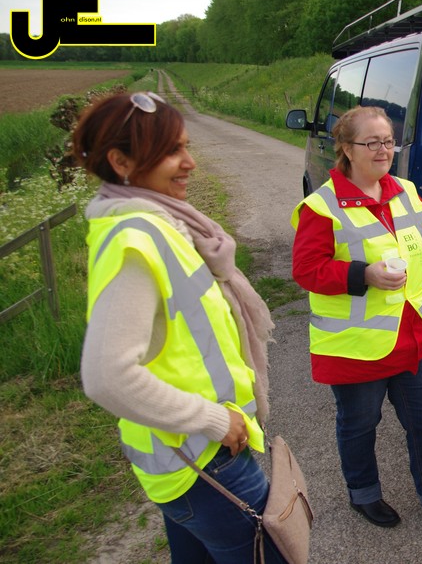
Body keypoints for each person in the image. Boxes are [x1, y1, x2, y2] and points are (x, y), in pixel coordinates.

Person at [75, 91, 287, 562]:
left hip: (189, 462)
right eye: (172, 151)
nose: (190, 163)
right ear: (121, 162)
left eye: (187, 147)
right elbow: (106, 376)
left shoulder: (163, 223)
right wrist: (214, 420)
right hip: (204, 463)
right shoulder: (135, 239)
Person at [291, 105, 422, 536]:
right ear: (346, 149)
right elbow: (307, 270)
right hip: (357, 346)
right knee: (359, 425)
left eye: (388, 141)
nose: (383, 150)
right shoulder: (323, 206)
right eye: (371, 142)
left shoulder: (405, 190)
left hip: (414, 336)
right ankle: (364, 493)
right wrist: (362, 275)